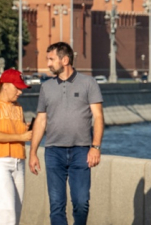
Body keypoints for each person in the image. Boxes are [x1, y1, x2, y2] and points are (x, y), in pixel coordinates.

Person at [29, 42, 104, 225]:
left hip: (81, 151)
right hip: (54, 151)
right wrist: (32, 152)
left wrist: (95, 147)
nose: (48, 64)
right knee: (56, 205)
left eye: (51, 59)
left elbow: (98, 117)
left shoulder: (89, 83)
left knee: (81, 203)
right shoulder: (46, 87)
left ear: (65, 60)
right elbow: (40, 121)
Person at [0, 69, 33, 225]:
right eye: (17, 88)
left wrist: (27, 129)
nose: (20, 92)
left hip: (18, 162)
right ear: (6, 86)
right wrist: (21, 137)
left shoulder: (18, 107)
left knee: (15, 214)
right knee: (6, 215)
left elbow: (16, 130)